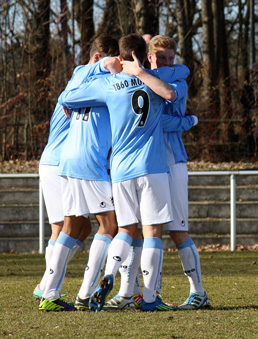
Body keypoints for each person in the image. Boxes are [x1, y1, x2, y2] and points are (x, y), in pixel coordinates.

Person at [59, 34, 186, 312]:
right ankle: (150, 299)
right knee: (152, 232)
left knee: (125, 229)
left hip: (120, 170)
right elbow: (171, 93)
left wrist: (99, 72)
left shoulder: (108, 84)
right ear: (146, 54)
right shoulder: (152, 80)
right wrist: (142, 72)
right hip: (152, 168)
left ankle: (108, 275)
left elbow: (67, 97)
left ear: (120, 56)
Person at [103, 35, 207, 311]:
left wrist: (186, 120)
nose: (167, 63)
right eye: (161, 57)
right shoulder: (138, 79)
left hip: (171, 161)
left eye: (171, 58)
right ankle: (133, 292)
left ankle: (198, 292)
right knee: (137, 229)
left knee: (175, 230)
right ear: (148, 57)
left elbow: (160, 118)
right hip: (145, 164)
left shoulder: (176, 80)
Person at [37, 36, 122, 311]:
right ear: (102, 60)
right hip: (88, 162)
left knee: (73, 227)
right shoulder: (108, 84)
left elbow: (66, 97)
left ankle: (48, 292)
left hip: (68, 162)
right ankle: (85, 295)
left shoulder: (77, 78)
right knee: (112, 226)